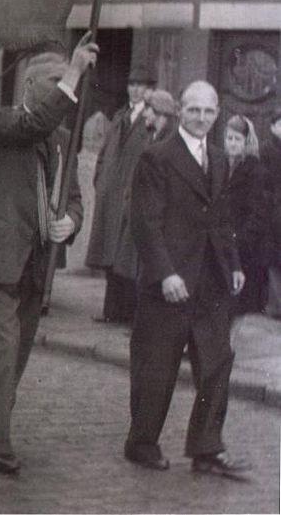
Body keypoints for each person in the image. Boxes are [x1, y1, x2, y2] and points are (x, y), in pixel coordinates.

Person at [0, 35, 97, 475]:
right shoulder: (1, 124)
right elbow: (33, 124)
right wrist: (74, 72)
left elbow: (74, 198)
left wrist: (70, 222)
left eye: (67, 79)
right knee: (1, 349)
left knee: (13, 357)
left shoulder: (62, 140)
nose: (66, 89)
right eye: (56, 80)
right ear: (29, 86)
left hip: (36, 264)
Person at [125, 80, 250, 479]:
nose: (201, 118)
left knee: (217, 362)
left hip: (209, 282)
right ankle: (141, 442)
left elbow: (221, 220)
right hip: (170, 283)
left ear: (216, 114)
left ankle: (206, 448)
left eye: (209, 111)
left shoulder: (218, 157)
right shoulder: (157, 157)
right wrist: (164, 274)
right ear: (181, 110)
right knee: (156, 366)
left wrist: (233, 264)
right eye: (194, 110)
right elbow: (145, 222)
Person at [85, 66, 156, 323]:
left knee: (128, 253)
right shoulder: (119, 116)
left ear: (150, 90)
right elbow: (105, 152)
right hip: (112, 192)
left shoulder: (151, 121)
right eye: (132, 84)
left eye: (142, 85)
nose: (135, 90)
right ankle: (111, 311)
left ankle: (129, 313)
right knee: (110, 254)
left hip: (132, 193)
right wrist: (100, 180)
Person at [110, 90, 178, 291]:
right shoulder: (152, 136)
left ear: (161, 114)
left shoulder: (168, 141)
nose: (145, 114)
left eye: (149, 109)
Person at [223, 114, 267, 317]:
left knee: (238, 306)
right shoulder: (222, 166)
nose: (232, 144)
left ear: (246, 142)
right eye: (229, 138)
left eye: (237, 139)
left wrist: (239, 240)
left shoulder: (254, 171)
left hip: (243, 249)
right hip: (223, 244)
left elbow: (257, 213)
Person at [263, 109, 281, 319]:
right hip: (273, 214)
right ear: (273, 127)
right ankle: (275, 306)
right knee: (274, 262)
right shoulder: (267, 150)